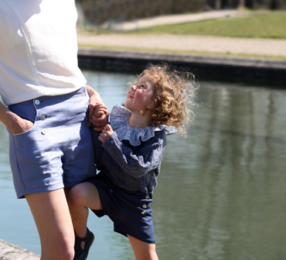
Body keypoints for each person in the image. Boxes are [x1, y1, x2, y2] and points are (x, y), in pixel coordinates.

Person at [0, 0, 108, 260]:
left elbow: (62, 60)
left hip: (79, 116)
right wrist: (10, 120)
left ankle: (83, 240)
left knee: (76, 234)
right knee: (60, 249)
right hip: (33, 125)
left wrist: (91, 93)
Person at [68, 64, 197, 260]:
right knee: (76, 195)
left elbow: (138, 168)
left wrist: (112, 141)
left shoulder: (155, 138)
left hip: (135, 202)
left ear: (155, 103)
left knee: (147, 257)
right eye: (137, 83)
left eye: (143, 87)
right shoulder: (117, 122)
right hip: (107, 187)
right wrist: (98, 126)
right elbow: (99, 155)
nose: (134, 87)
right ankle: (82, 239)